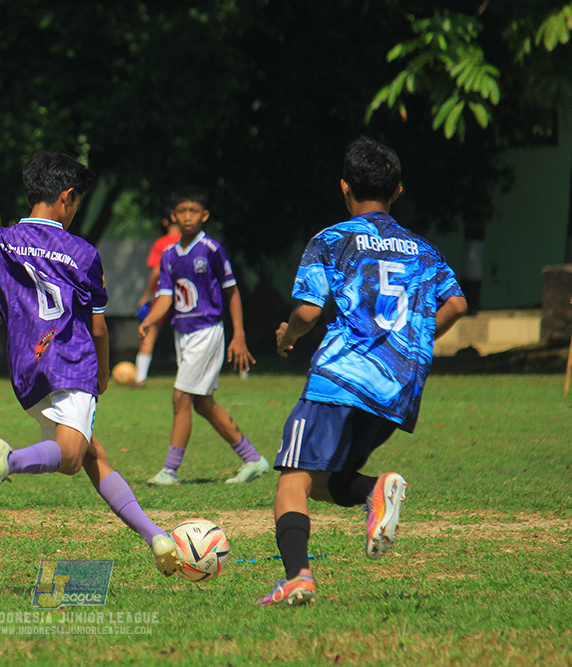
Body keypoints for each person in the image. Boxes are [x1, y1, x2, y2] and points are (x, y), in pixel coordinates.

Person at [0, 151, 182, 577]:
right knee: (73, 456)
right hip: (72, 362)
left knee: (94, 456)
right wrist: (101, 374)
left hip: (26, 371)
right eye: (76, 202)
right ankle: (9, 461)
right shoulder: (82, 253)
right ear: (66, 197)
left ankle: (156, 536)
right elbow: (98, 330)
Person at [259, 136, 468, 607]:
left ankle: (298, 577)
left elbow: (308, 313)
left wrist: (287, 338)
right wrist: (410, 341)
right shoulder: (422, 250)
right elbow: (456, 303)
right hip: (397, 385)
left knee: (292, 477)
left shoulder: (331, 240)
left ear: (344, 187)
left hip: (342, 377)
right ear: (397, 193)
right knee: (327, 479)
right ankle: (377, 489)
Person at [139, 186, 269, 486]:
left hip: (207, 331)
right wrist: (149, 319)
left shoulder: (211, 249)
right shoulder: (169, 254)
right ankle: (253, 459)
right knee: (202, 404)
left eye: (193, 211)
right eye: (182, 211)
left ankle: (170, 471)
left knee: (181, 397)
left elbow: (232, 292)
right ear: (174, 216)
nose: (187, 217)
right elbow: (166, 296)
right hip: (182, 334)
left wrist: (239, 335)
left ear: (204, 215)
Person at [133, 208, 180, 387]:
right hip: (184, 295)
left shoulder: (162, 243)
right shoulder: (188, 242)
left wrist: (146, 295)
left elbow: (156, 271)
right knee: (183, 334)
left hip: (163, 294)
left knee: (149, 332)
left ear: (165, 222)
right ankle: (186, 378)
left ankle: (140, 378)